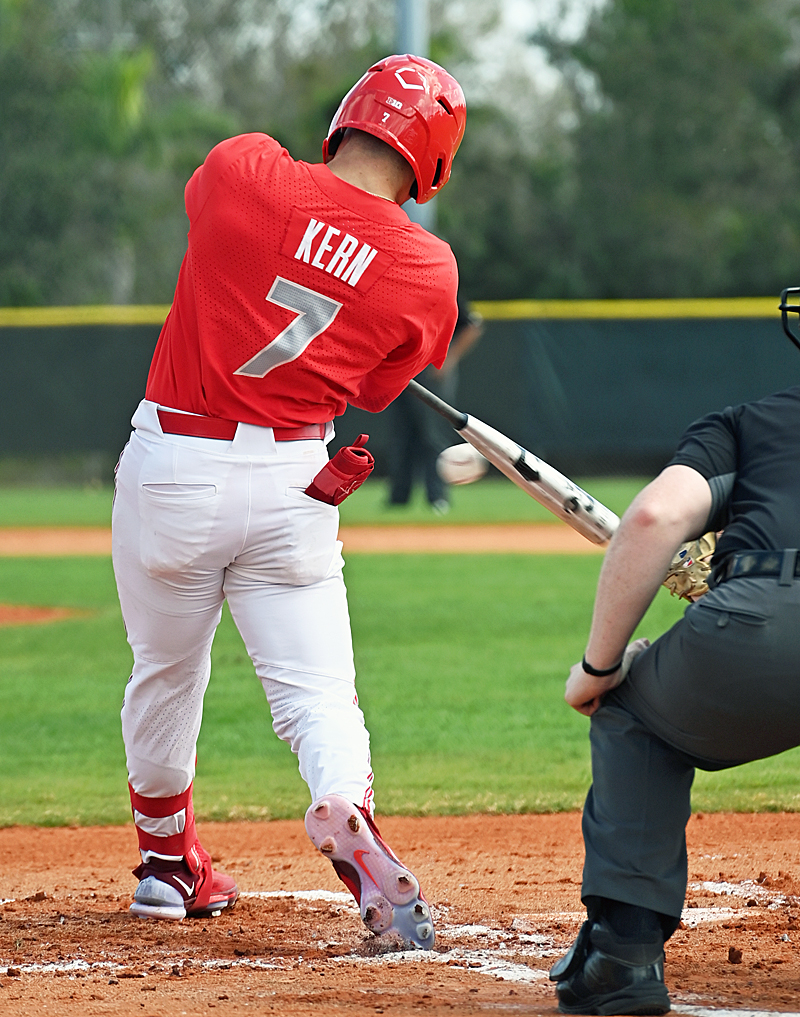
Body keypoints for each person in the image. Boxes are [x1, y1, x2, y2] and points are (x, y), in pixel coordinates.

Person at [111, 54, 466, 949]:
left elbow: (234, 227)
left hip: (175, 464)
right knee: (319, 696)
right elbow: (381, 392)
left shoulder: (244, 168)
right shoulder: (429, 269)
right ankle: (346, 805)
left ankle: (165, 866)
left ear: (348, 117)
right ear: (433, 160)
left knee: (167, 671)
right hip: (294, 485)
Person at [549, 374, 800, 1013]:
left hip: (762, 620)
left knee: (635, 717)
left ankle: (624, 957)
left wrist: (600, 667)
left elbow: (657, 515)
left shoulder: (752, 424)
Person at [386, 297, 483, 512]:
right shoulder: (402, 288)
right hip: (402, 370)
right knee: (402, 435)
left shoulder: (442, 287)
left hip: (430, 370)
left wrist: (449, 359)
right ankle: (398, 499)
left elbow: (472, 326)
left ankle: (437, 497)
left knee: (433, 436)